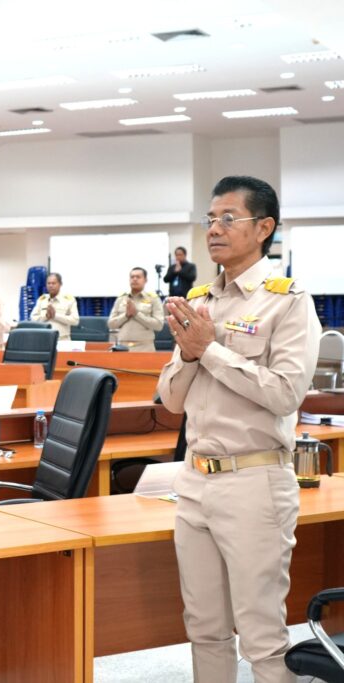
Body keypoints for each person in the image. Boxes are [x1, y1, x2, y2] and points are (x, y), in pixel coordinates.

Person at [158, 176, 320, 683]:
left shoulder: (287, 301)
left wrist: (209, 350)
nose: (214, 229)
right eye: (210, 219)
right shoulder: (200, 300)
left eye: (229, 218)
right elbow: (171, 401)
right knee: (204, 628)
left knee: (261, 636)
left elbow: (285, 394)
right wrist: (190, 353)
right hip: (194, 482)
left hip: (253, 482)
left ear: (264, 228)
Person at [107, 267, 165, 351]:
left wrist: (137, 314)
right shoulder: (121, 299)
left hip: (145, 348)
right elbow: (111, 324)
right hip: (122, 347)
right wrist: (126, 316)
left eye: (138, 277)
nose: (134, 279)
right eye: (132, 277)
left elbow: (158, 325)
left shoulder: (153, 299)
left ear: (145, 280)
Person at [30, 272, 80, 340]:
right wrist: (46, 316)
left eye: (53, 283)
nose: (50, 286)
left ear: (60, 284)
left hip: (62, 339)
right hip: (43, 339)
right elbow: (33, 319)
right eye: (48, 283)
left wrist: (55, 316)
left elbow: (75, 321)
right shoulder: (42, 300)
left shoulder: (69, 300)